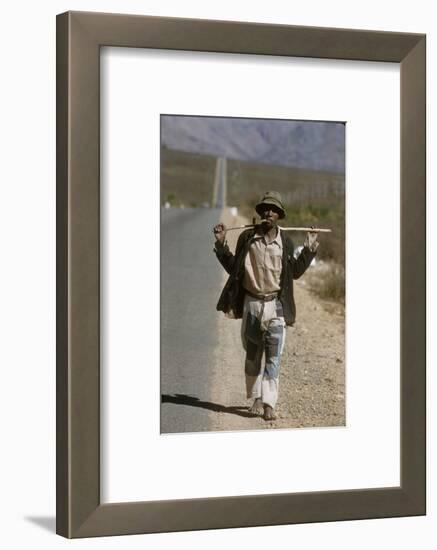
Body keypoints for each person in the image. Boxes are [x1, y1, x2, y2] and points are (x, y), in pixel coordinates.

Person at [213, 191, 319, 421]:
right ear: (260, 214)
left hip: (276, 306)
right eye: (265, 209)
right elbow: (235, 269)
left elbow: (296, 273)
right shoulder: (247, 238)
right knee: (253, 355)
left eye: (273, 210)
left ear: (279, 215)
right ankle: (257, 398)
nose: (268, 213)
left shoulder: (286, 242)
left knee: (274, 357)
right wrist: (222, 246)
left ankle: (269, 403)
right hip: (252, 304)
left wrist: (309, 249)